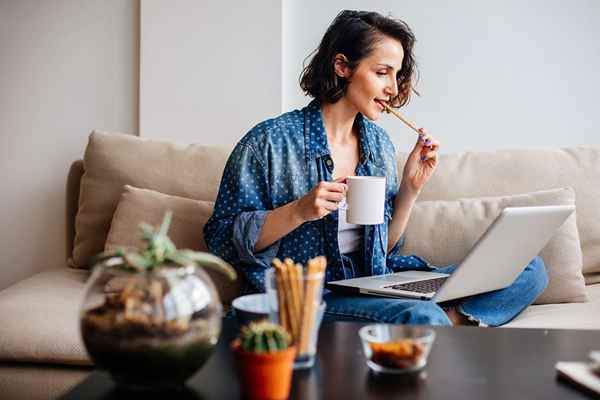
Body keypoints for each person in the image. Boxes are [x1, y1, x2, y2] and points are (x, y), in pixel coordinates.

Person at [204, 10, 548, 326]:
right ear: (342, 66)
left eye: (397, 75)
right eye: (382, 72)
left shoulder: (379, 145)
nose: (393, 88)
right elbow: (221, 240)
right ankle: (431, 321)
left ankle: (449, 321)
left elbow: (382, 249)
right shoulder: (268, 142)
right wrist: (299, 211)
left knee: (530, 268)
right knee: (420, 313)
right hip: (314, 298)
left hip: (375, 284)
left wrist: (411, 189)